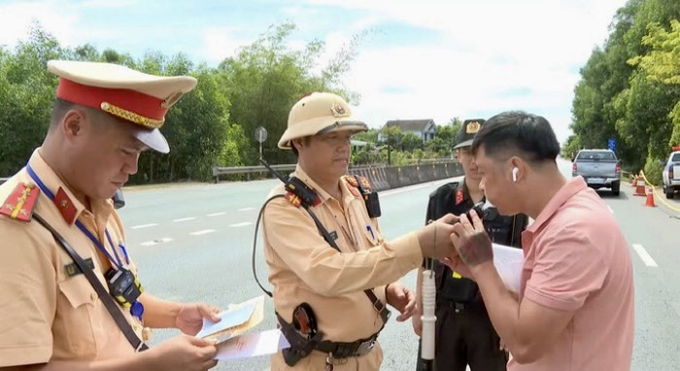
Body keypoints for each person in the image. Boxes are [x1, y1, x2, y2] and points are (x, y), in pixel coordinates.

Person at [0, 60, 223, 371]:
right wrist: (150, 366)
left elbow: (118, 295)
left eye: (139, 155)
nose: (132, 169)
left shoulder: (98, 205)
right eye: (125, 151)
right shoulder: (14, 228)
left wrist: (177, 314)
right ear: (74, 127)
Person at [260, 92, 459, 371]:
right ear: (299, 142)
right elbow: (328, 273)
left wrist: (388, 290)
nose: (344, 147)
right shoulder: (283, 207)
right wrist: (419, 246)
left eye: (347, 137)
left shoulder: (355, 192)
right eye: (332, 138)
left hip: (366, 358)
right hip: (316, 362)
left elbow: (371, 252)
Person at [447, 111, 634, 370]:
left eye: (485, 173)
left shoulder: (573, 233)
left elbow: (525, 345)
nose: (483, 186)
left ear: (516, 170)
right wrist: (480, 272)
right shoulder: (570, 214)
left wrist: (483, 266)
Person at [413, 119, 528, 371]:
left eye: (479, 151)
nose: (474, 161)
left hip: (489, 315)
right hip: (444, 313)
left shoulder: (512, 205)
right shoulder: (441, 199)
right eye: (467, 152)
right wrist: (420, 308)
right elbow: (426, 259)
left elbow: (522, 268)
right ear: (458, 154)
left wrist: (515, 322)